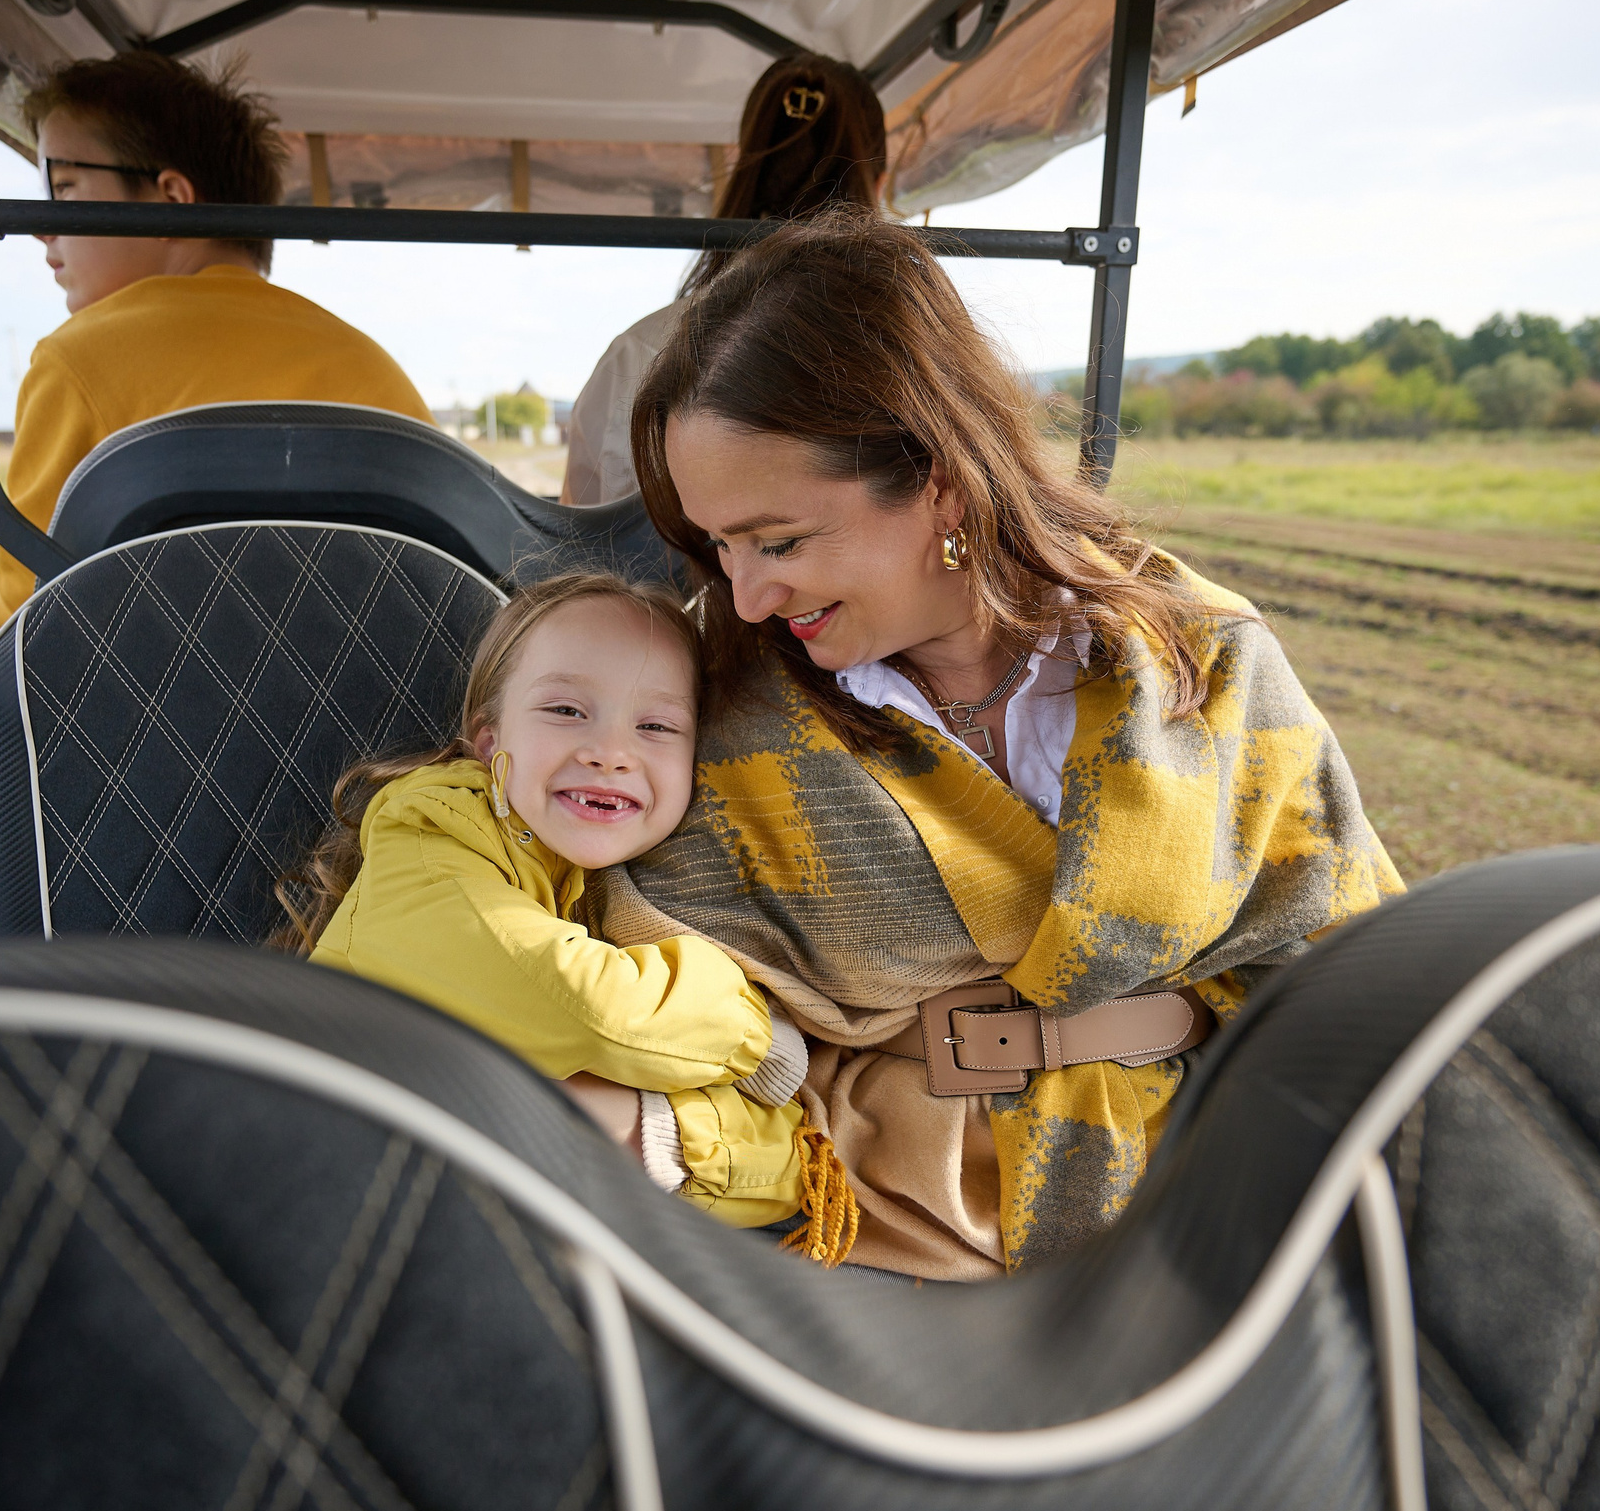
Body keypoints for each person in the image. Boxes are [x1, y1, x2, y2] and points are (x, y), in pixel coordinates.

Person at [599, 206, 1406, 1280]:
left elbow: (1356, 967)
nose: (745, 597)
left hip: (1221, 1212)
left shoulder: (1202, 661)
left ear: (935, 475)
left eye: (779, 540)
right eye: (718, 548)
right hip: (874, 1245)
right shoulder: (708, 706)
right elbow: (645, 992)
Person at [280, 571, 857, 1262]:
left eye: (655, 726)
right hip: (317, 1185)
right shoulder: (430, 834)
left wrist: (663, 1127)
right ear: (488, 742)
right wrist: (755, 1029)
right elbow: (583, 1004)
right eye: (565, 711)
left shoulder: (619, 890)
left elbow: (788, 1180)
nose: (609, 752)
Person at [0, 52, 431, 626]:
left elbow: (19, 632)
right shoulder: (371, 365)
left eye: (66, 187)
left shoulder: (77, 360)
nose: (42, 225)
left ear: (170, 198)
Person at [559, 53, 885, 507]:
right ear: (880, 183)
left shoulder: (637, 354)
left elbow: (584, 535)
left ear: (746, 166)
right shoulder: (917, 355)